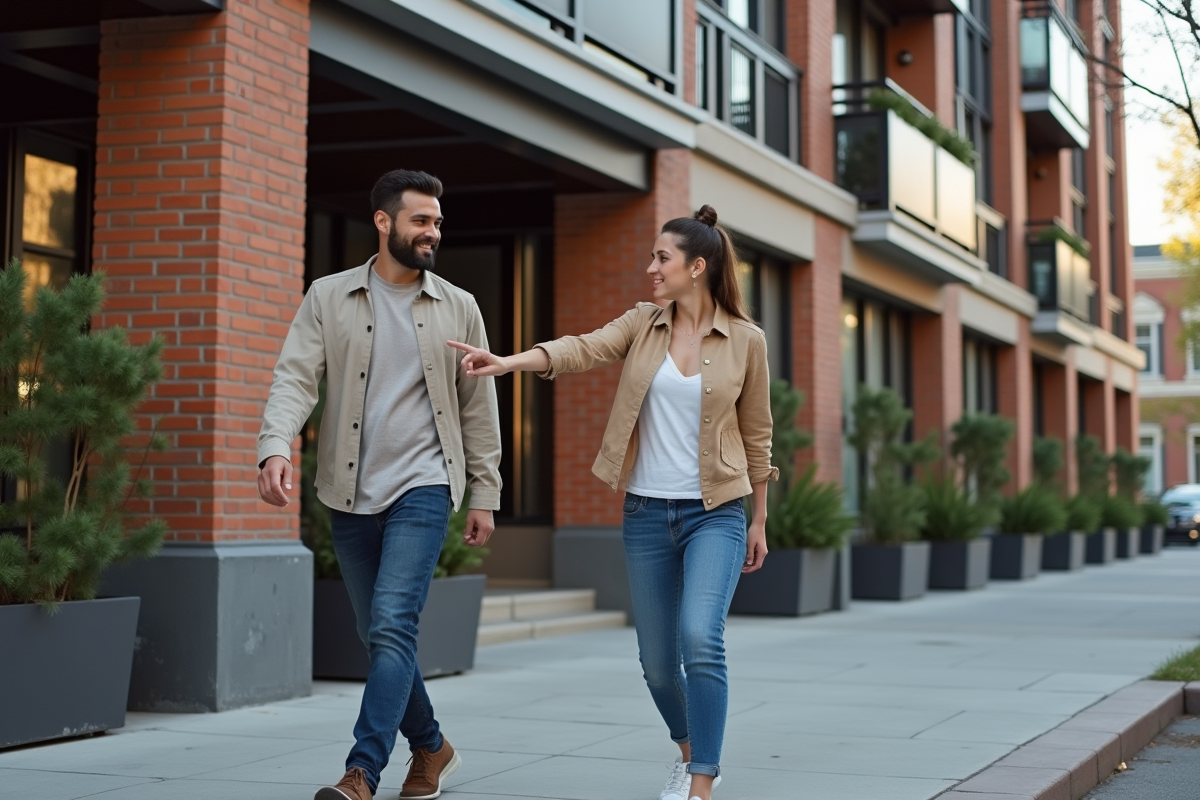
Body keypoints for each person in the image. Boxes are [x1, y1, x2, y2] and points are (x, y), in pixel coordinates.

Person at [448, 205, 775, 800]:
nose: (650, 267)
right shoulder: (643, 324)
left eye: (662, 258)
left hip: (717, 512)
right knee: (655, 663)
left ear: (697, 267)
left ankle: (703, 777)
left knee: (701, 637)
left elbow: (758, 436)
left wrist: (759, 519)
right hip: (647, 514)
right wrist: (507, 363)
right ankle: (688, 747)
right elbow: (580, 349)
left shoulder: (746, 341)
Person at [256, 169, 502, 800]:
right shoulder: (328, 296)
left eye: (438, 222)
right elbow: (294, 378)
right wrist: (275, 447)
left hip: (424, 484)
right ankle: (432, 746)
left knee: (393, 623)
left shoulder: (458, 305)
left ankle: (361, 770)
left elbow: (479, 407)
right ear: (384, 222)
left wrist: (484, 492)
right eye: (421, 220)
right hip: (348, 489)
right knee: (378, 633)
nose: (433, 232)